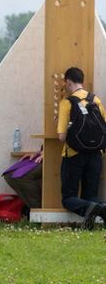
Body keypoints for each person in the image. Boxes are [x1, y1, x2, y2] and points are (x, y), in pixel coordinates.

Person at [57, 67, 106, 229]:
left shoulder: (66, 103)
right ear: (82, 81)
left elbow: (62, 137)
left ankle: (92, 209)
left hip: (73, 155)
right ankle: (99, 210)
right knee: (90, 195)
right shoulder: (96, 100)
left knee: (68, 198)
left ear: (69, 82)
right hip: (96, 155)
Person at [3, 149, 43, 215]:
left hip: (54, 158)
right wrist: (38, 152)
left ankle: (38, 212)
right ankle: (31, 208)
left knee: (23, 177)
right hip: (43, 155)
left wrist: (47, 154)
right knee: (9, 175)